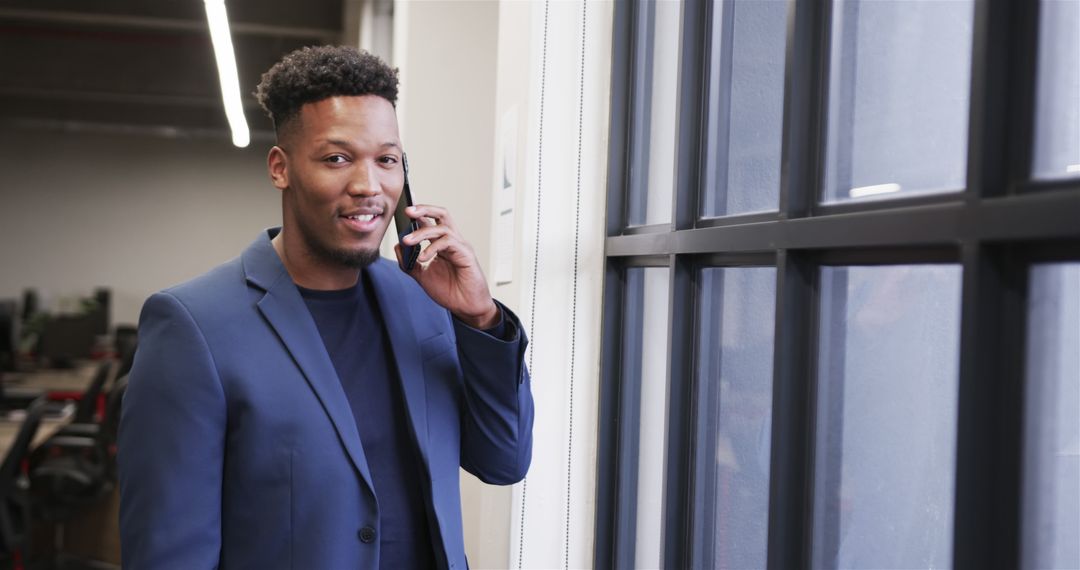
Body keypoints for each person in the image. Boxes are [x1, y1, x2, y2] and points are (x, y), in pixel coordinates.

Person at [117, 45, 534, 570]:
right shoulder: (192, 325)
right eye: (337, 158)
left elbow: (504, 461)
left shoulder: (423, 302)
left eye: (386, 160)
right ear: (280, 168)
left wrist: (480, 319)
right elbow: (167, 553)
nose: (368, 186)